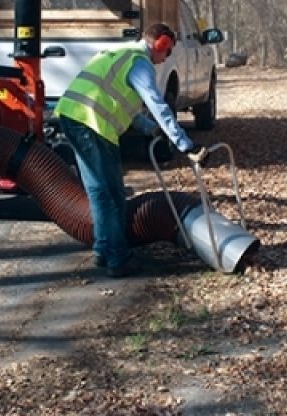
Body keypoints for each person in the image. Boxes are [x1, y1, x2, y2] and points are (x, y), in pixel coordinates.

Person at [54, 23, 209, 278]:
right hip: (89, 123)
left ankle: (104, 250)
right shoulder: (139, 63)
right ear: (158, 44)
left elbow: (128, 109)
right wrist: (185, 144)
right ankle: (118, 259)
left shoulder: (122, 54)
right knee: (105, 193)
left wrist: (151, 130)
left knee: (110, 191)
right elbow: (157, 104)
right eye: (167, 51)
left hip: (79, 119)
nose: (166, 58)